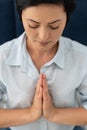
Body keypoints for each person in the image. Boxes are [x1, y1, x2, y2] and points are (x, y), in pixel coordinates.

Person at [0, 0, 87, 130]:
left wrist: (54, 114)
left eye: (54, 26)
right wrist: (31, 114)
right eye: (33, 25)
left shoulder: (82, 56)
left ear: (66, 19)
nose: (43, 37)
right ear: (21, 17)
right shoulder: (2, 57)